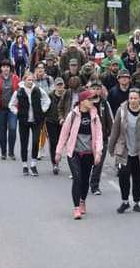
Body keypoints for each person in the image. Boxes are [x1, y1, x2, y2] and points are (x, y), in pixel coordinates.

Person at [106, 88, 140, 213]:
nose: (132, 100)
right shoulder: (121, 111)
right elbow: (115, 130)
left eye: (135, 98)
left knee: (138, 177)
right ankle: (125, 201)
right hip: (124, 149)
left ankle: (136, 202)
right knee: (123, 174)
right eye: (130, 98)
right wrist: (111, 148)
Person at [55, 90, 104, 220]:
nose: (92, 102)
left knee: (85, 179)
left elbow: (99, 135)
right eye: (90, 99)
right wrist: (58, 152)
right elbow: (64, 134)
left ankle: (82, 201)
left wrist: (98, 152)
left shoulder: (94, 116)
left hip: (88, 153)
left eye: (93, 100)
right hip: (74, 152)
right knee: (77, 178)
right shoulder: (72, 115)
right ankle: (76, 208)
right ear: (82, 101)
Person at [10, 72, 50, 176]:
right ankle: (24, 165)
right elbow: (12, 104)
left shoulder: (38, 90)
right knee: (24, 142)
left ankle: (33, 164)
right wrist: (16, 112)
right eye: (29, 80)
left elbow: (47, 100)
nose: (30, 82)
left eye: (32, 80)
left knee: (36, 141)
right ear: (24, 80)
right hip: (24, 121)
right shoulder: (19, 92)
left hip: (36, 120)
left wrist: (43, 110)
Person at [0, 62, 20, 160]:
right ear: (1, 68)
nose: (6, 69)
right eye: (4, 67)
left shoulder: (15, 79)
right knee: (2, 130)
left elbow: (20, 93)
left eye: (7, 67)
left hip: (12, 109)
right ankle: (3, 152)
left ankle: (11, 151)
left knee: (13, 129)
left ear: (10, 69)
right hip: (0, 109)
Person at [89, 83, 114, 196]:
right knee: (87, 163)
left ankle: (94, 186)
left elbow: (110, 120)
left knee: (98, 164)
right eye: (93, 89)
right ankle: (84, 182)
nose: (95, 91)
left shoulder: (104, 103)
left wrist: (109, 133)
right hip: (87, 139)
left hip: (101, 139)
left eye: (98, 89)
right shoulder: (86, 103)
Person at [44, 77, 67, 175]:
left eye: (61, 84)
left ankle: (60, 158)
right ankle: (55, 164)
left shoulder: (67, 95)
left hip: (64, 123)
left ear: (64, 85)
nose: (60, 87)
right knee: (53, 142)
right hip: (51, 122)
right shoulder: (49, 96)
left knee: (63, 143)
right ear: (55, 86)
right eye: (58, 85)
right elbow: (45, 108)